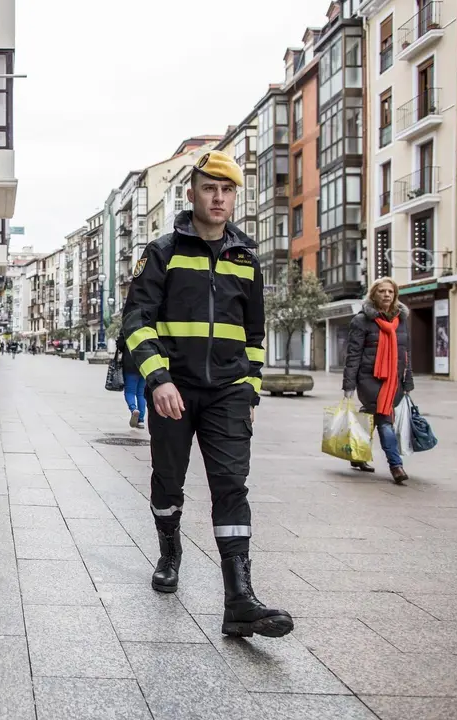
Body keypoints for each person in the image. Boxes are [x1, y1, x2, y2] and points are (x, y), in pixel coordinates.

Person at [122, 150, 292, 639]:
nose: (219, 198)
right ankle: (169, 551)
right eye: (209, 188)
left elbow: (254, 336)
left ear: (235, 197)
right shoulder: (162, 252)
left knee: (231, 486)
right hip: (173, 390)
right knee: (168, 481)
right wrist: (158, 379)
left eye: (227, 190)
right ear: (192, 193)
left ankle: (239, 599)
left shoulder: (246, 259)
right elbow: (136, 322)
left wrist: (251, 393)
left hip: (229, 393)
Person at [342, 277, 414, 483]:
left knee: (370, 416)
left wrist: (408, 381)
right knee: (384, 420)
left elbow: (405, 353)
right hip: (369, 379)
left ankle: (357, 455)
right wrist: (349, 385)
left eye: (390, 291)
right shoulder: (361, 320)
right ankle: (396, 465)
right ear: (374, 294)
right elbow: (353, 355)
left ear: (395, 295)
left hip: (394, 380)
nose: (386, 295)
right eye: (382, 291)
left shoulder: (401, 320)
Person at [115, 332, 145, 428]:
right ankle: (141, 420)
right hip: (145, 364)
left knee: (129, 392)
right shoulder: (147, 325)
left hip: (130, 364)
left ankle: (133, 409)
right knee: (141, 394)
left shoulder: (127, 326)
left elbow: (120, 345)